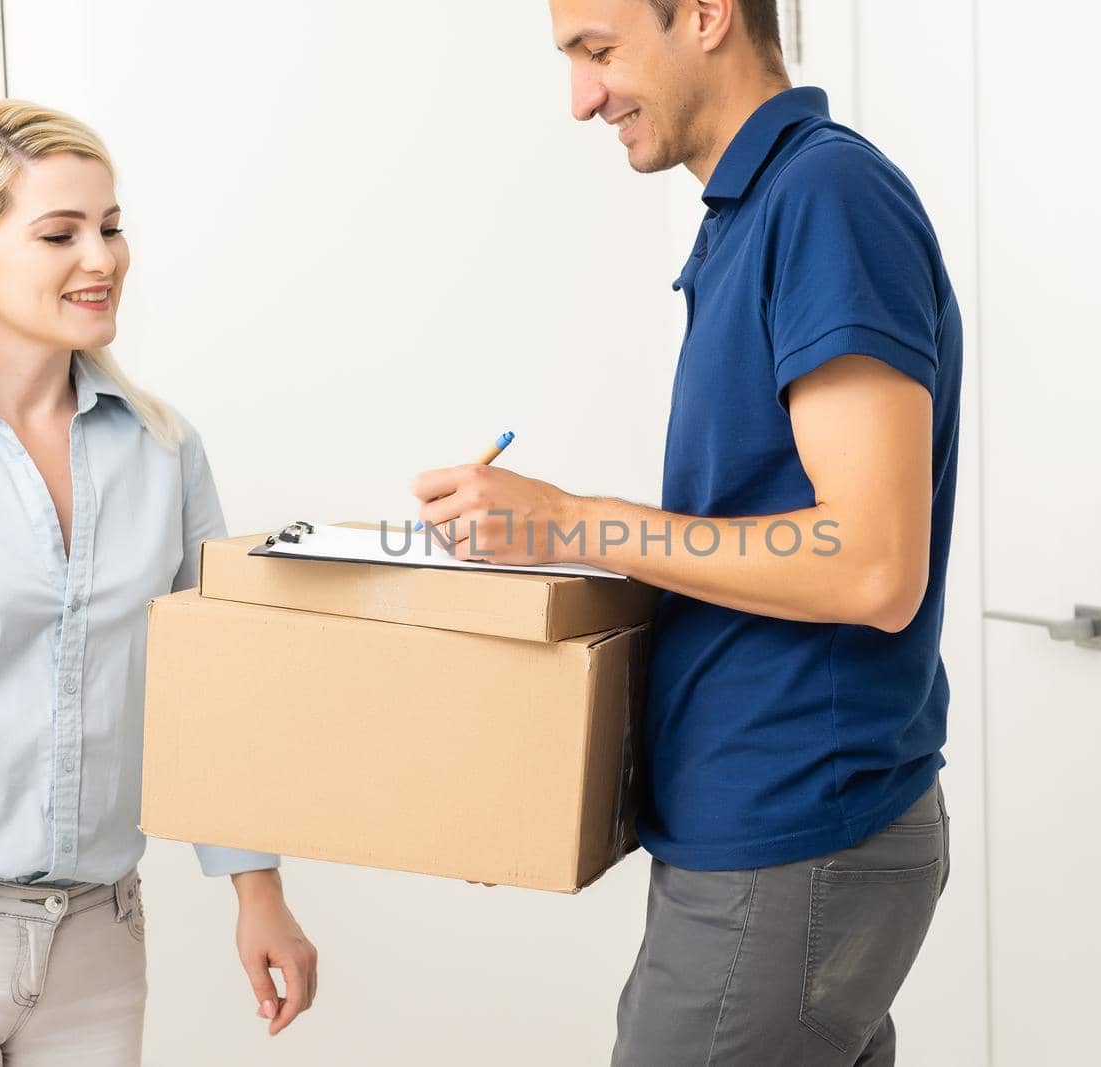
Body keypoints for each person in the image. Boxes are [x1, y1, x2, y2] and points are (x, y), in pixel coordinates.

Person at [411, 1, 960, 1062]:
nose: (581, 99)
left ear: (706, 14)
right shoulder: (750, 212)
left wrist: (576, 519)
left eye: (599, 51)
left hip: (795, 827)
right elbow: (759, 544)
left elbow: (872, 563)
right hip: (772, 825)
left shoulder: (825, 198)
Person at [0, 100, 317, 1063]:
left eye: (112, 226)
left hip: (97, 941)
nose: (104, 258)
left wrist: (260, 892)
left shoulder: (163, 448)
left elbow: (209, 688)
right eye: (60, 234)